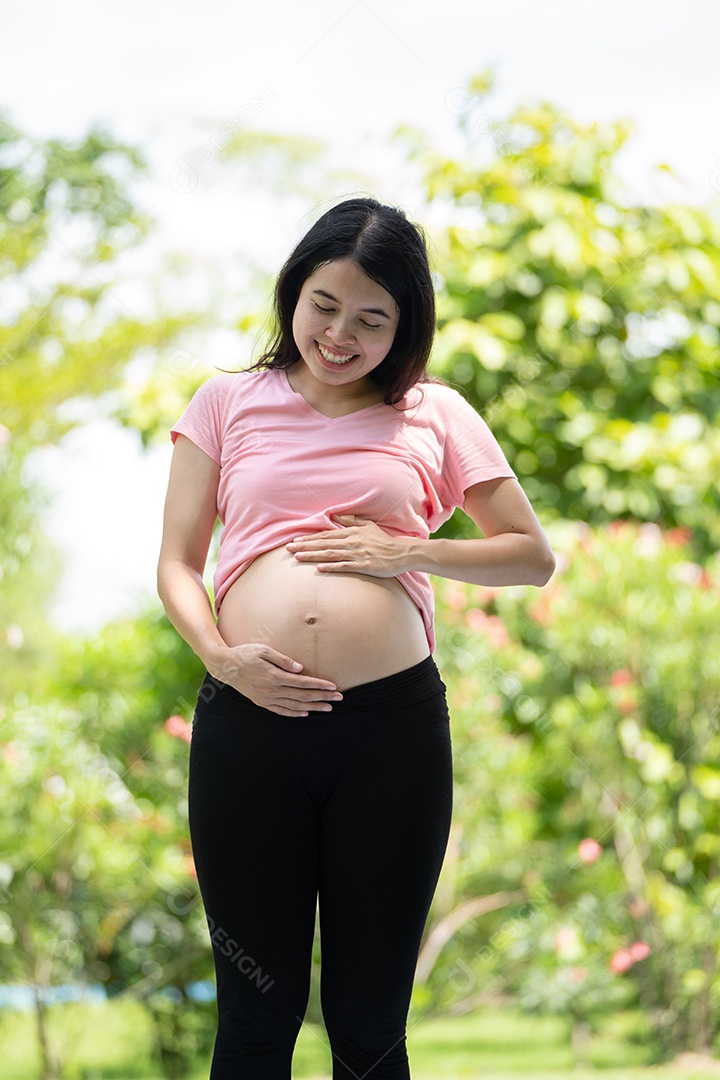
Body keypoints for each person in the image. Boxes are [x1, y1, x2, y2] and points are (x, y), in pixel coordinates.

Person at [157, 196, 555, 1079]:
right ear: (292, 296)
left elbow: (532, 556)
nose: (341, 334)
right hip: (249, 724)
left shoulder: (436, 413)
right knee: (255, 1017)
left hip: (390, 735)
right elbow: (179, 564)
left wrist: (407, 548)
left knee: (369, 1022)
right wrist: (223, 659)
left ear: (405, 327)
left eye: (372, 319)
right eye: (323, 306)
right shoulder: (227, 402)